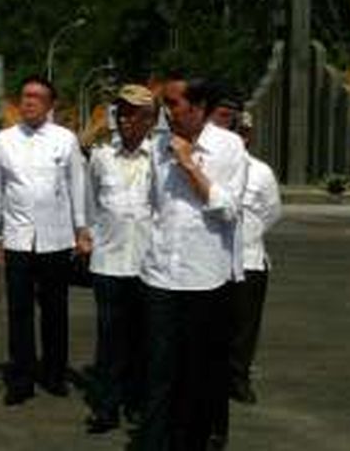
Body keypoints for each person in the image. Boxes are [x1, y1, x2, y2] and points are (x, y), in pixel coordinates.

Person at [135, 77, 248, 451]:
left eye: (173, 103)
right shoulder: (156, 146)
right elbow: (155, 205)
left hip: (205, 280)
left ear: (198, 108)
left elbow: (229, 209)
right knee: (157, 371)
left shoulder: (229, 147)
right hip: (161, 276)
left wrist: (188, 164)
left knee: (198, 375)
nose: (166, 110)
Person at [0, 75, 92, 406]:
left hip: (56, 238)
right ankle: (20, 379)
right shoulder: (4, 140)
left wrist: (82, 230)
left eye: (37, 97)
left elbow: (78, 185)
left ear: (50, 104)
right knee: (19, 312)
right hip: (18, 240)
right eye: (25, 96)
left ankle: (54, 373)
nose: (29, 101)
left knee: (54, 310)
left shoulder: (66, 139)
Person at [85, 85, 156, 434]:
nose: (127, 120)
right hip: (109, 263)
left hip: (148, 266)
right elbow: (91, 205)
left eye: (135, 114)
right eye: (122, 112)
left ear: (150, 120)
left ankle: (139, 405)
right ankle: (106, 407)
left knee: (144, 340)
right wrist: (92, 240)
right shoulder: (101, 157)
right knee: (109, 341)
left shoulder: (160, 158)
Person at [228, 111, 282, 405]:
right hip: (216, 261)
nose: (240, 136)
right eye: (234, 129)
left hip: (249, 259)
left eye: (244, 131)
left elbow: (272, 212)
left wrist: (248, 234)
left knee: (245, 327)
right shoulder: (210, 166)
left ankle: (238, 378)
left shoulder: (261, 172)